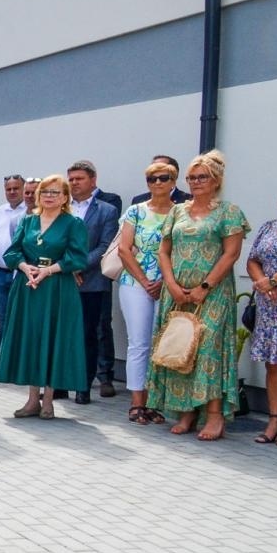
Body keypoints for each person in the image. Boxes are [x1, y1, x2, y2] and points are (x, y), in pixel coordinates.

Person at [147, 150, 247, 441]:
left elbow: (232, 253)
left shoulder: (229, 212)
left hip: (213, 294)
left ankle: (214, 415)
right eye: (191, 177)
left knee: (207, 351)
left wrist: (204, 287)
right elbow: (164, 250)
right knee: (180, 347)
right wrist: (173, 285)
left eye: (201, 176)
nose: (195, 182)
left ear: (216, 180)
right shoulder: (178, 211)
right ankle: (186, 410)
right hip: (176, 292)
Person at [0, 174, 88, 420]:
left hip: (57, 288)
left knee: (53, 338)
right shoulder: (28, 221)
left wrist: (49, 270)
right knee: (32, 338)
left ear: (65, 197)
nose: (49, 196)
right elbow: (12, 252)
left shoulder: (73, 223)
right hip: (29, 287)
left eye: (55, 192)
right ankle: (31, 399)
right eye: (45, 192)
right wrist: (26, 267)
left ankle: (48, 399)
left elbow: (78, 257)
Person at [116, 159, 178, 425]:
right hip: (135, 284)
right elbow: (124, 249)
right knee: (139, 344)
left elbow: (183, 252)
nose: (157, 183)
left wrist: (165, 282)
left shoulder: (181, 212)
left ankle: (156, 402)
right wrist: (144, 280)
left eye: (163, 178)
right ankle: (137, 403)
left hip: (170, 285)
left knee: (160, 345)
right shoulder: (136, 211)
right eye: (152, 179)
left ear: (174, 182)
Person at [245, 175, 277, 447]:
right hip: (271, 306)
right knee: (274, 363)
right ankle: (275, 418)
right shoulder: (270, 227)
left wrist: (275, 280)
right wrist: (263, 283)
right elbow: (252, 260)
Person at [67, 161, 120, 402]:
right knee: (64, 335)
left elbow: (105, 246)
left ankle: (83, 387)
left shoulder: (106, 210)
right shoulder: (60, 207)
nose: (74, 183)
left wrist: (77, 265)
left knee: (87, 336)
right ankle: (59, 384)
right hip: (61, 281)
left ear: (93, 180)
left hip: (91, 283)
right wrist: (65, 268)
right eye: (71, 179)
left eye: (79, 178)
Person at [0, 174, 28, 370]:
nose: (12, 192)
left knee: (21, 316)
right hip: (1, 273)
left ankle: (18, 359)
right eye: (8, 189)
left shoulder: (30, 212)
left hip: (21, 274)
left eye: (16, 188)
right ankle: (3, 356)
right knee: (2, 316)